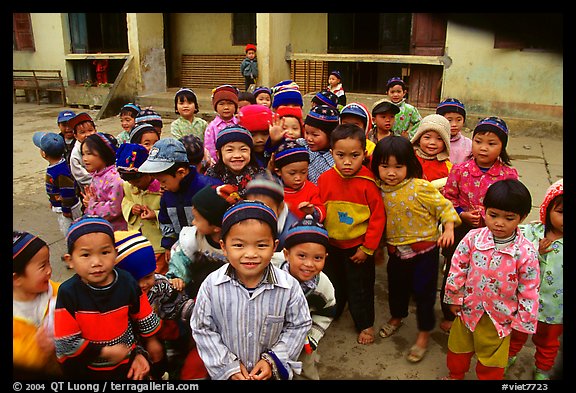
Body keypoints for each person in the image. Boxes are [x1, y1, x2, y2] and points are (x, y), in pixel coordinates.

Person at [190, 200, 313, 380]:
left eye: (261, 245)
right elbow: (202, 328)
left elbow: (299, 325)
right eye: (239, 245)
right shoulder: (211, 285)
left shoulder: (288, 286)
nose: (250, 254)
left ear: (274, 247)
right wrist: (228, 367)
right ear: (224, 247)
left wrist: (273, 360)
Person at [369, 136, 460, 362]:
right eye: (385, 166)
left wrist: (448, 229)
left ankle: (423, 334)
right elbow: (378, 222)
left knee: (424, 295)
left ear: (409, 164)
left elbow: (445, 207)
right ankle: (397, 317)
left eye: (398, 166)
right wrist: (379, 247)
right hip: (397, 253)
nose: (391, 172)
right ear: (376, 166)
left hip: (425, 253)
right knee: (397, 289)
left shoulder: (420, 187)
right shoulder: (377, 190)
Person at [442, 179, 540, 380]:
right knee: (458, 350)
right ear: (484, 210)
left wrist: (523, 321)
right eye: (493, 215)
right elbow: (457, 268)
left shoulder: (525, 252)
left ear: (522, 218)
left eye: (508, 218)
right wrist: (453, 296)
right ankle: (455, 375)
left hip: (500, 317)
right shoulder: (472, 238)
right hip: (467, 310)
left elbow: (529, 288)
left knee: (492, 362)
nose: (499, 223)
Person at [54, 215, 162, 380]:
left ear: (115, 253)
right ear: (70, 261)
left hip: (127, 362)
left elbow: (143, 314)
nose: (97, 262)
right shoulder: (68, 293)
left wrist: (151, 341)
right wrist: (104, 352)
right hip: (88, 369)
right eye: (85, 255)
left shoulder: (126, 282)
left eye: (105, 252)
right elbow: (66, 343)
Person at [440, 116, 519, 334]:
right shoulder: (460, 170)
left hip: (495, 234)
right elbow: (448, 199)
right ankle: (450, 312)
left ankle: (484, 312)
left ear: (502, 147)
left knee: (487, 274)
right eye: (478, 141)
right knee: (455, 270)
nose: (483, 148)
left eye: (491, 143)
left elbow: (514, 203)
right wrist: (462, 215)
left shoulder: (508, 175)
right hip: (463, 230)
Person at [318, 123, 386, 345]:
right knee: (332, 283)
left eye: (354, 155)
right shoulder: (325, 179)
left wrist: (367, 248)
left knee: (361, 289)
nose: (347, 162)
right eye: (341, 155)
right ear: (332, 154)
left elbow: (377, 218)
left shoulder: (369, 182)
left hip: (358, 248)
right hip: (331, 246)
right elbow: (320, 210)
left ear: (364, 154)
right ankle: (334, 311)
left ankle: (365, 323)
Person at [114, 230, 197, 380]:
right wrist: (138, 351)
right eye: (135, 280)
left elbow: (178, 306)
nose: (143, 285)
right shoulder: (117, 298)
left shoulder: (159, 285)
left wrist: (200, 314)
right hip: (128, 353)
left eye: (148, 276)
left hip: (159, 342)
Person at [507, 179, 563, 380]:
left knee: (548, 341)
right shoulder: (531, 233)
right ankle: (509, 355)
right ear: (547, 209)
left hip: (555, 308)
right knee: (515, 333)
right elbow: (510, 252)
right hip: (523, 301)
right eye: (561, 212)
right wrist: (533, 250)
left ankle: (543, 368)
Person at [137, 138, 222, 259]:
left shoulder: (208, 189)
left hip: (211, 250)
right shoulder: (168, 193)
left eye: (164, 181)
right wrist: (168, 244)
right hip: (182, 250)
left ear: (181, 172)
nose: (161, 186)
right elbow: (165, 220)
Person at [278, 215, 336, 380]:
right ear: (287, 254)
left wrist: (312, 337)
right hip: (270, 335)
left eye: (317, 258)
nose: (309, 264)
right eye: (302, 256)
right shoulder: (270, 267)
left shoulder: (324, 287)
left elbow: (327, 312)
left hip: (303, 339)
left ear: (325, 257)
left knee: (305, 369)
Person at [13, 230, 62, 379]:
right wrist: (38, 348)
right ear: (17, 279)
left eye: (48, 262)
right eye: (42, 266)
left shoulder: (57, 292)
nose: (49, 271)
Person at [115, 143, 165, 274]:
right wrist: (131, 208)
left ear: (148, 173)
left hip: (157, 243)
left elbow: (170, 211)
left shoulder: (162, 188)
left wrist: (155, 214)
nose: (134, 186)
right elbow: (125, 201)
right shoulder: (128, 186)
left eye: (137, 182)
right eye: (131, 183)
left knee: (157, 271)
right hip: (136, 239)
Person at [32, 131, 82, 236]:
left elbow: (67, 191)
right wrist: (52, 200)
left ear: (44, 154)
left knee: (70, 232)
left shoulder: (59, 171)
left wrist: (66, 209)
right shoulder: (59, 165)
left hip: (68, 208)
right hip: (62, 205)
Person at [245, 172, 299, 264]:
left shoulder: (292, 233)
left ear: (280, 207)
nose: (256, 213)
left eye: (265, 208)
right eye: (251, 206)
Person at [81, 132, 128, 231]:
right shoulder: (98, 174)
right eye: (83, 154)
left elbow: (114, 208)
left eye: (89, 154)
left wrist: (91, 204)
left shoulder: (115, 179)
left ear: (104, 153)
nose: (84, 159)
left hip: (116, 230)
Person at [204, 125, 266, 198]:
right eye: (230, 150)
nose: (237, 155)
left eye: (243, 149)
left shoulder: (260, 175)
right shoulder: (211, 176)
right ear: (218, 154)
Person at [273, 138, 326, 222]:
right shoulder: (274, 190)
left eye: (303, 172)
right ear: (278, 171)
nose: (298, 178)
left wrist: (312, 211)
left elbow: (321, 211)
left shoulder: (311, 189)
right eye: (292, 173)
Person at [410, 113, 453, 189]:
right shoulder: (408, 159)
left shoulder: (448, 167)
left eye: (439, 139)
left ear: (445, 143)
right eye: (427, 137)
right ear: (418, 139)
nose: (432, 142)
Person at [302, 104, 340, 184]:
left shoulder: (335, 161)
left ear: (330, 135)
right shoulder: (302, 146)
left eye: (315, 135)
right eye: (307, 132)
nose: (309, 138)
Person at [204, 84, 240, 164]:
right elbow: (209, 147)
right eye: (221, 104)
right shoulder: (212, 127)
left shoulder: (240, 123)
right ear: (215, 107)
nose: (226, 107)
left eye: (230, 103)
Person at [436, 97, 472, 165]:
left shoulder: (469, 144)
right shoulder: (434, 142)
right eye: (449, 120)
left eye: (459, 120)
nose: (454, 124)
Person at [237, 103, 274, 168]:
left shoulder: (279, 150)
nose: (259, 140)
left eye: (265, 134)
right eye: (252, 135)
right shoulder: (240, 160)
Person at [68, 112, 98, 193]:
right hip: (91, 187)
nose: (87, 134)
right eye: (82, 132)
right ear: (75, 136)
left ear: (95, 130)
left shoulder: (100, 144)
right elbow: (81, 176)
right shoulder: (75, 154)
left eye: (90, 130)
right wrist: (99, 181)